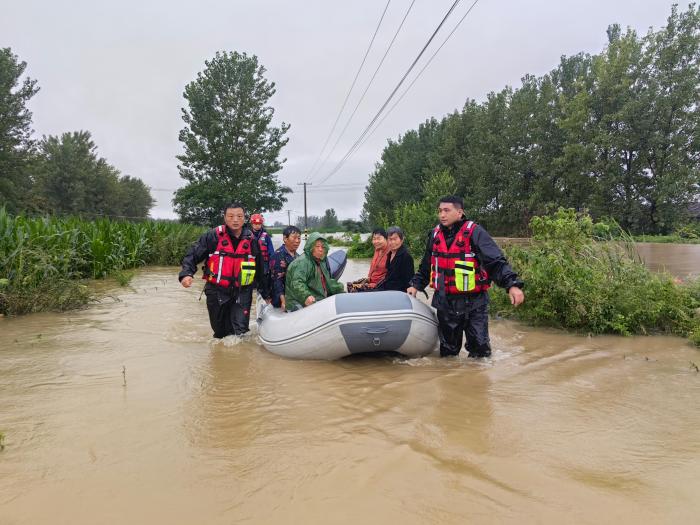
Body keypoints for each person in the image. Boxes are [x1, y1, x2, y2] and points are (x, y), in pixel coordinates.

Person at [407, 195, 524, 358]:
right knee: (448, 353)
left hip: (473, 303)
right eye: (440, 211)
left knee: (480, 352)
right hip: (445, 302)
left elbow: (495, 261)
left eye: (447, 210)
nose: (442, 215)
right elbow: (427, 265)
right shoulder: (434, 235)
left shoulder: (475, 232)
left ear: (460, 212)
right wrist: (416, 285)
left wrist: (512, 284)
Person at [179, 203, 271, 338]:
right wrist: (186, 274)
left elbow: (260, 269)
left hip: (242, 291)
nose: (235, 220)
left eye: (239, 216)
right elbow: (193, 254)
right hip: (217, 290)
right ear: (224, 217)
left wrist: (266, 294)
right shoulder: (213, 236)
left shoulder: (251, 241)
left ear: (244, 218)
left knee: (240, 332)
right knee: (220, 333)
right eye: (231, 216)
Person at [284, 232, 344, 311]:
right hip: (296, 302)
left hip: (317, 298)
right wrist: (306, 296)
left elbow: (326, 282)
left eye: (323, 247)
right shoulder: (302, 262)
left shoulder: (321, 261)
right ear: (311, 247)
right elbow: (297, 283)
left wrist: (339, 287)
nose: (320, 249)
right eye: (317, 246)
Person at [269, 225, 302, 310]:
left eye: (299, 238)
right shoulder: (278, 255)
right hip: (281, 299)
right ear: (285, 238)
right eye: (294, 238)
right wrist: (283, 301)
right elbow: (277, 280)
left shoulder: (298, 256)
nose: (297, 241)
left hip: (295, 297)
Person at [347, 228, 388, 292]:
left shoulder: (390, 252)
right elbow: (373, 266)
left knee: (354, 289)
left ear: (386, 239)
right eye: (374, 239)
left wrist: (374, 284)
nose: (376, 241)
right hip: (371, 280)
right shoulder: (377, 249)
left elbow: (390, 275)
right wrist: (368, 278)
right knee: (350, 285)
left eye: (379, 238)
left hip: (379, 284)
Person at [375, 226, 414, 292]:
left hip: (398, 293)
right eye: (390, 239)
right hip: (387, 289)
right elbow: (388, 277)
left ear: (402, 239)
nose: (392, 242)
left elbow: (409, 282)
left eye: (395, 239)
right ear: (387, 240)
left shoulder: (406, 256)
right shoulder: (390, 254)